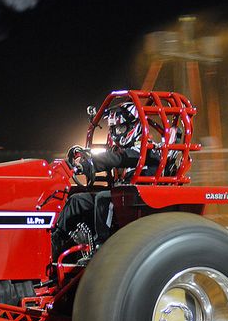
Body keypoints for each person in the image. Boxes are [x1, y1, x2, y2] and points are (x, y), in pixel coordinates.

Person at [51, 101, 161, 260]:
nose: (117, 133)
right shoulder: (124, 149)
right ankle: (57, 241)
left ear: (134, 126)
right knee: (76, 200)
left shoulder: (147, 148)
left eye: (121, 128)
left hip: (140, 198)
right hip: (123, 195)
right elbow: (114, 157)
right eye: (114, 129)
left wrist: (90, 163)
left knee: (104, 198)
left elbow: (118, 159)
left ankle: (101, 247)